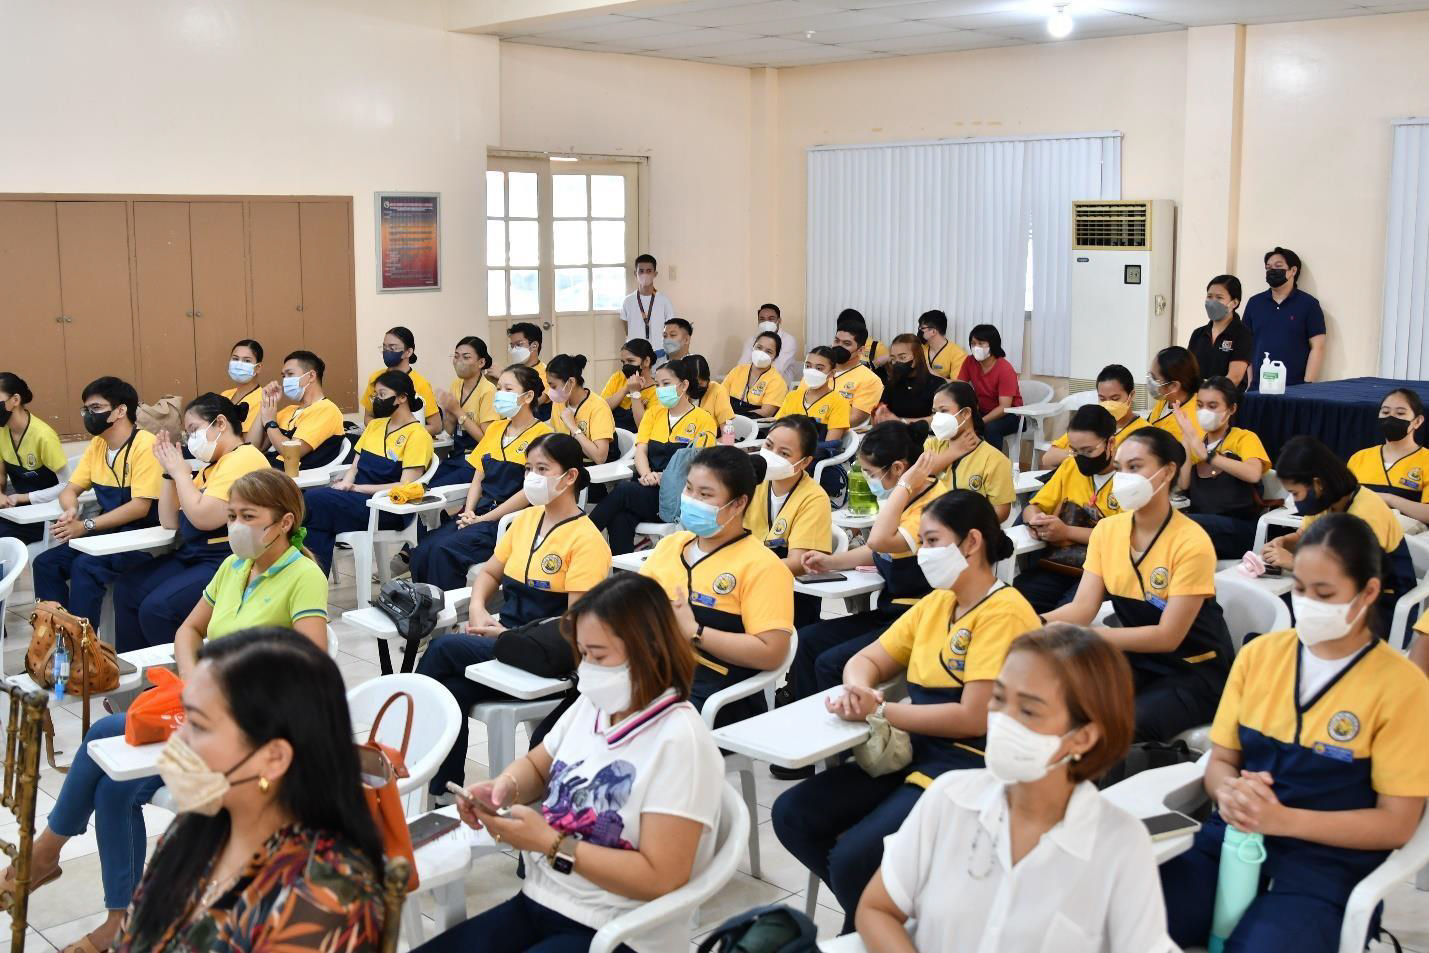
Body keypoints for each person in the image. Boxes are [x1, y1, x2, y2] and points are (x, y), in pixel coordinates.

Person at [2, 487, 333, 952]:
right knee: (111, 778)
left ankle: (47, 857)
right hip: (206, 714)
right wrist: (196, 681)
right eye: (232, 514)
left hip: (252, 735)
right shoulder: (234, 566)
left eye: (248, 516)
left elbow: (313, 662)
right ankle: (120, 917)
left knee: (105, 748)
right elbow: (188, 629)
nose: (235, 525)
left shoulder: (303, 577)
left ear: (282, 522)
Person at [1161, 514, 1429, 952]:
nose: (1307, 604)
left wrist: (1283, 820)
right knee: (1132, 917)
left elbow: (1396, 825)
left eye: (1325, 593)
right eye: (1301, 589)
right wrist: (1228, 793)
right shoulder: (1262, 655)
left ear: (1368, 593)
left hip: (1327, 867)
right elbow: (1223, 760)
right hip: (1232, 838)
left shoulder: (1401, 686)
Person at [772, 490, 1036, 930]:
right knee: (793, 815)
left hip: (970, 763)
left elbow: (972, 717)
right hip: (915, 748)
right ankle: (881, 919)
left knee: (853, 857)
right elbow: (868, 659)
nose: (922, 554)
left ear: (970, 543)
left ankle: (869, 924)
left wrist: (880, 710)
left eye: (931, 541)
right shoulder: (939, 601)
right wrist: (859, 690)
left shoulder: (1004, 613)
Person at [420, 574, 723, 953]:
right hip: (543, 899)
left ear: (650, 651)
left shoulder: (680, 743)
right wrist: (504, 787)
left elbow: (661, 877)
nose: (587, 669)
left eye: (598, 656)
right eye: (582, 654)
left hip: (620, 930)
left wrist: (548, 842)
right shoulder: (594, 706)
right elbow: (537, 766)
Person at [856, 624, 1172, 952]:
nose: (1002, 720)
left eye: (1028, 710)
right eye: (998, 697)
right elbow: (877, 909)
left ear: (1083, 736)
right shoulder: (949, 799)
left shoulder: (1120, 845)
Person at [114, 630, 384, 951]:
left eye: (198, 725)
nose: (176, 740)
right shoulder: (193, 830)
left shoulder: (329, 894)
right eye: (184, 717)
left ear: (273, 758)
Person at [415, 434, 610, 796]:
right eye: (528, 469)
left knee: (442, 650)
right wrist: (477, 608)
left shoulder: (586, 540)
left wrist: (505, 637)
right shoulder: (526, 521)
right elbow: (489, 573)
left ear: (568, 477)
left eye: (541, 469)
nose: (531, 478)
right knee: (450, 689)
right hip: (507, 639)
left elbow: (574, 624)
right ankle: (442, 789)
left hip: (546, 650)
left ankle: (407, 756)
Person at [1045, 427, 1233, 742]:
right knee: (1064, 704)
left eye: (1135, 467)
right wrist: (1032, 623)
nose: (1123, 478)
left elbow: (1167, 637)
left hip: (1193, 671)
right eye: (1119, 468)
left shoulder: (1192, 541)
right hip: (1138, 660)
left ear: (1168, 471)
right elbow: (1082, 608)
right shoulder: (1107, 531)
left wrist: (1089, 638)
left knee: (1122, 726)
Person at [782, 423, 947, 715]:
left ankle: (839, 746)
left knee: (830, 662)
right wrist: (829, 561)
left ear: (898, 469)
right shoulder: (902, 497)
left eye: (870, 474)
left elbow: (880, 539)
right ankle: (803, 733)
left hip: (919, 615)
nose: (867, 480)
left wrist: (904, 487)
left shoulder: (930, 507)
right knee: (807, 640)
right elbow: (878, 550)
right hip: (891, 610)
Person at [639, 446, 794, 724]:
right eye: (689, 489)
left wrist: (696, 632)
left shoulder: (762, 566)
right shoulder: (671, 545)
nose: (691, 500)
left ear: (738, 504)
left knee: (624, 743)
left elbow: (772, 652)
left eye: (705, 494)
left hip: (715, 694)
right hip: (653, 674)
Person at [113, 394, 270, 651]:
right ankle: (141, 680)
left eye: (194, 430)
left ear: (220, 423)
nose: (190, 440)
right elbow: (169, 520)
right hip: (193, 555)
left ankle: (186, 679)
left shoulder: (244, 458)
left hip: (228, 560)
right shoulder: (213, 466)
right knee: (128, 588)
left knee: (158, 609)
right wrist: (168, 472)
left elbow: (204, 518)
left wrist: (180, 473)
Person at [32, 377, 163, 630]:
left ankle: (83, 647)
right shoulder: (98, 445)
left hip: (142, 538)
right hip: (106, 533)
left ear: (121, 410)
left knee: (86, 566)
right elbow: (70, 489)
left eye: (95, 408)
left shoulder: (145, 445)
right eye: (86, 409)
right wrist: (71, 509)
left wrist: (86, 526)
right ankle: (54, 639)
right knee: (46, 564)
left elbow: (140, 507)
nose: (88, 415)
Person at [409, 366, 549, 590]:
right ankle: (423, 610)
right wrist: (469, 511)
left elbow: (527, 494)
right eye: (499, 387)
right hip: (479, 514)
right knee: (423, 548)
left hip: (508, 521)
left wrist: (485, 519)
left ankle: (448, 618)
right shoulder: (495, 430)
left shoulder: (543, 436)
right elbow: (478, 474)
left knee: (443, 551)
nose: (500, 393)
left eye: (508, 388)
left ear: (528, 396)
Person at [1263, 436, 1415, 640]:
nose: (1295, 501)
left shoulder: (1365, 514)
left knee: (1293, 631)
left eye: (1295, 493)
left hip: (1379, 603)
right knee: (1275, 614)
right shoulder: (1327, 501)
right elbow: (1303, 535)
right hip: (1337, 593)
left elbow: (1351, 578)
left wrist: (1293, 562)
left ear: (1317, 484)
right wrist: (1282, 541)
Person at [303, 371, 435, 575]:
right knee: (316, 523)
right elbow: (355, 466)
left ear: (402, 397)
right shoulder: (375, 425)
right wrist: (346, 482)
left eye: (382, 395)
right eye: (375, 395)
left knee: (312, 501)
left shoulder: (418, 435)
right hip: (356, 500)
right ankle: (310, 582)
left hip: (386, 507)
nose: (376, 400)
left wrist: (355, 488)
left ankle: (309, 585)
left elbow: (405, 486)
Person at [590, 358, 717, 555]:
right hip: (645, 486)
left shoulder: (703, 420)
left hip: (674, 495)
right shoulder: (654, 413)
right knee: (620, 517)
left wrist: (663, 476)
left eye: (666, 384)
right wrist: (647, 474)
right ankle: (624, 580)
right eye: (657, 385)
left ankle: (580, 537)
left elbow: (699, 466)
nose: (660, 389)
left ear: (684, 385)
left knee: (623, 491)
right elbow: (641, 449)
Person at [1015, 404, 1125, 614]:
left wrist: (1066, 532)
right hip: (1060, 564)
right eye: (1075, 450)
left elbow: (1123, 536)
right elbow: (1035, 505)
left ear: (1111, 442)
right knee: (1014, 601)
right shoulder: (1070, 466)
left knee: (1067, 612)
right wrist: (1037, 521)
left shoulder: (1128, 478)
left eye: (1088, 451)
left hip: (1103, 571)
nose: (1080, 457)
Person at [745, 416, 832, 628]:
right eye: (768, 445)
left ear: (805, 462)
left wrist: (745, 574)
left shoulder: (814, 497)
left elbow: (798, 563)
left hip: (789, 592)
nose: (772, 456)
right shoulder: (754, 482)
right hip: (750, 578)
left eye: (784, 453)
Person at [1179, 376, 1271, 559]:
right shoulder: (1198, 442)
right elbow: (1183, 484)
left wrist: (1209, 456)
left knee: (1179, 525)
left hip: (1237, 528)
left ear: (1231, 409)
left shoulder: (1244, 438)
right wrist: (1186, 437)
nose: (1204, 411)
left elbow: (1253, 474)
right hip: (1200, 524)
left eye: (1212, 406)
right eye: (1200, 405)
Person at [921, 380, 1014, 522]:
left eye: (944, 411)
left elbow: (1001, 511)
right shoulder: (932, 445)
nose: (937, 417)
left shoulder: (994, 460)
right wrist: (954, 452)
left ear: (965, 413)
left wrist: (969, 527)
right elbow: (920, 474)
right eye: (934, 412)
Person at [248, 350, 346, 470]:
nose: (285, 381)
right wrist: (265, 404)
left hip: (291, 480)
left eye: (290, 374)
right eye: (283, 376)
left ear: (311, 376)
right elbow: (251, 447)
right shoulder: (290, 410)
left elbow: (292, 453)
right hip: (265, 470)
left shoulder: (327, 410)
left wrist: (270, 423)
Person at [1243, 246, 1326, 388]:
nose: (1272, 271)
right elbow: (1245, 345)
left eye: (1278, 266)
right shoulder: (1254, 303)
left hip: (1294, 389)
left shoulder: (1309, 304)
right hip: (1258, 387)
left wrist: (1307, 385)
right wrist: (1250, 382)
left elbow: (1318, 347)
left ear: (1293, 271)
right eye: (1268, 268)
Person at [0, 372, 68, 544]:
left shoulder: (43, 436)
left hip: (48, 515)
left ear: (15, 400)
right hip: (17, 511)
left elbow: (68, 486)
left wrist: (24, 497)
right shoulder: (2, 432)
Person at [1042, 364, 1148, 469]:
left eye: (1115, 399)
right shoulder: (1091, 422)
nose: (1108, 404)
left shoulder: (1144, 432)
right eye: (1102, 399)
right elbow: (1048, 459)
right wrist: (1082, 455)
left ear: (1132, 395)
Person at [1349, 387, 1429, 526]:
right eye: (1385, 412)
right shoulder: (1360, 457)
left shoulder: (1425, 460)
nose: (1390, 418)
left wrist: (1389, 499)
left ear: (1417, 421)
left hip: (1410, 540)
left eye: (1400, 413)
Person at [431, 336, 498, 485]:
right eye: (456, 356)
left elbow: (485, 439)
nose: (459, 361)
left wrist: (458, 411)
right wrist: (448, 413)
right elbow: (448, 431)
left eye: (466, 357)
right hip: (457, 455)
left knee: (433, 487)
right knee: (423, 483)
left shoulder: (488, 390)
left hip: (477, 459)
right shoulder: (456, 384)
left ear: (481, 362)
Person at [956, 324, 1022, 450]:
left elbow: (1004, 407)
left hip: (1010, 415)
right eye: (973, 343)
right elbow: (959, 388)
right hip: (982, 410)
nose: (976, 347)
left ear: (993, 344)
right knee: (958, 422)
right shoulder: (970, 361)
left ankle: (993, 466)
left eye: (981, 343)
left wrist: (980, 421)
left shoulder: (1005, 368)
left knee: (990, 428)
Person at [363, 325, 440, 434]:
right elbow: (368, 417)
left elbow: (436, 426)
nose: (386, 351)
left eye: (392, 348)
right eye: (384, 347)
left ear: (408, 352)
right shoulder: (375, 378)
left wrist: (402, 433)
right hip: (381, 440)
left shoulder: (421, 383)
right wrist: (384, 432)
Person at [548, 353, 614, 465]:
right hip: (567, 463)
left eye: (553, 386)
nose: (551, 391)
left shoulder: (598, 407)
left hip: (594, 470)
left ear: (571, 382)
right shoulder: (559, 402)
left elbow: (600, 458)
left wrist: (573, 427)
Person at [1188, 275, 1252, 390]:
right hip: (1196, 402)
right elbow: (1188, 371)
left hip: (1227, 403)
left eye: (1219, 297)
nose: (1212, 302)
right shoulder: (1198, 334)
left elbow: (1234, 378)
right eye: (1209, 296)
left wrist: (1207, 393)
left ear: (1234, 303)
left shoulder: (1242, 334)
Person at [775, 347, 851, 443]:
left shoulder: (839, 403)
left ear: (831, 373)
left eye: (819, 368)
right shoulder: (792, 396)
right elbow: (777, 429)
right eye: (808, 366)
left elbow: (830, 443)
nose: (812, 371)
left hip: (815, 455)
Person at [876, 334, 942, 423]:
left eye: (902, 357)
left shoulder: (937, 384)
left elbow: (940, 419)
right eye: (893, 358)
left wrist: (902, 421)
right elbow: (880, 414)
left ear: (917, 357)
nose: (896, 362)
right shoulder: (892, 384)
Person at [832, 320, 885, 427]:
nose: (839, 346)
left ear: (860, 350)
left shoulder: (870, 380)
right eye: (836, 341)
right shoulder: (820, 369)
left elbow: (854, 419)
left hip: (843, 437)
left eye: (846, 343)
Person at [724, 331, 789, 419]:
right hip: (726, 419)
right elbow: (721, 396)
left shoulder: (778, 382)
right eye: (759, 347)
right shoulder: (738, 370)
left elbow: (766, 412)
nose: (762, 353)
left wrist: (737, 418)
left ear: (775, 357)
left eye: (769, 351)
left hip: (755, 425)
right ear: (753, 348)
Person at [1147, 345, 1205, 443]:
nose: (1149, 380)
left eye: (1154, 378)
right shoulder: (1167, 399)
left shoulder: (1191, 421)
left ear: (1173, 386)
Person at [600, 339, 658, 433]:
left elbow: (643, 427)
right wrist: (626, 389)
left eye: (630, 361)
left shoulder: (656, 391)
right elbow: (601, 408)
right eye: (623, 362)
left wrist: (635, 393)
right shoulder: (618, 377)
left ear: (646, 361)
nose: (626, 366)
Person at [621, 253, 674, 351]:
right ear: (635, 273)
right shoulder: (628, 301)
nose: (644, 274)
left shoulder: (664, 301)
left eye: (649, 271)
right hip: (634, 352)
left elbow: (670, 329)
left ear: (655, 273)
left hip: (658, 352)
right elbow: (626, 328)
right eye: (641, 271)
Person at [737, 303, 799, 382]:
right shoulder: (751, 340)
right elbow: (742, 365)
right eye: (762, 319)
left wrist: (752, 370)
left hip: (779, 385)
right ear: (758, 321)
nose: (766, 322)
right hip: (751, 384)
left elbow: (777, 368)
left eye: (771, 318)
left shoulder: (788, 340)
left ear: (779, 320)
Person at [218, 338, 265, 431]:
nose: (239, 364)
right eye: (235, 359)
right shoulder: (225, 395)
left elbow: (247, 440)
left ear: (258, 367)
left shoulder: (262, 399)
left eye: (247, 361)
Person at [687, 354, 735, 428]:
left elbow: (728, 437)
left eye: (700, 383)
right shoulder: (679, 393)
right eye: (693, 384)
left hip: (712, 438)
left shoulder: (718, 391)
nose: (697, 387)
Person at [917, 309, 967, 380]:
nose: (919, 331)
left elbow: (957, 385)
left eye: (922, 328)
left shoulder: (958, 353)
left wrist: (931, 373)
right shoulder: (920, 349)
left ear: (933, 331)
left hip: (943, 390)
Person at [508, 322, 549, 392]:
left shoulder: (546, 374)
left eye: (518, 344)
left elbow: (535, 400)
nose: (514, 350)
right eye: (512, 346)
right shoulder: (514, 371)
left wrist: (504, 378)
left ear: (534, 345)